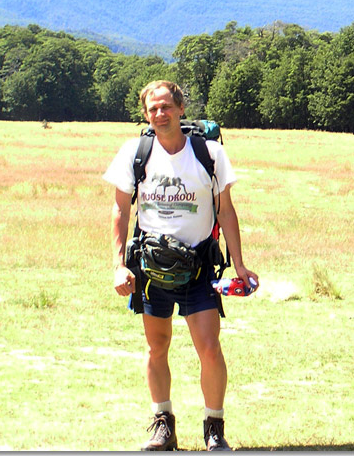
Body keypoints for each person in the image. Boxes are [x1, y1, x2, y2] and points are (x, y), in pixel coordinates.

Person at [104, 80, 258, 451]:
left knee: (209, 347)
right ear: (145, 114)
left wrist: (239, 265)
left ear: (180, 108)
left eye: (166, 107)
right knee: (156, 347)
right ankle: (163, 425)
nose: (160, 114)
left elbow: (226, 210)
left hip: (200, 267)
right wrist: (118, 265)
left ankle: (214, 428)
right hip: (151, 269)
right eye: (152, 109)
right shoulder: (134, 152)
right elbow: (120, 209)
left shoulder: (209, 153)